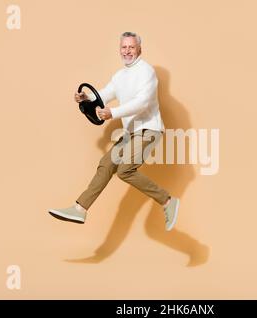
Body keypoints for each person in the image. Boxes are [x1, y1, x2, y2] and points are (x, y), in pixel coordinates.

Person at [48, 32, 179, 231]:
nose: (127, 51)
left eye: (131, 47)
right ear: (120, 49)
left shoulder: (146, 72)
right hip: (131, 133)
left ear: (139, 49)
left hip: (149, 130)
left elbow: (143, 102)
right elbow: (104, 94)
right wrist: (86, 98)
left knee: (125, 170)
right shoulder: (119, 76)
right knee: (106, 163)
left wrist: (113, 112)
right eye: (124, 47)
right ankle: (80, 209)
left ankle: (168, 201)